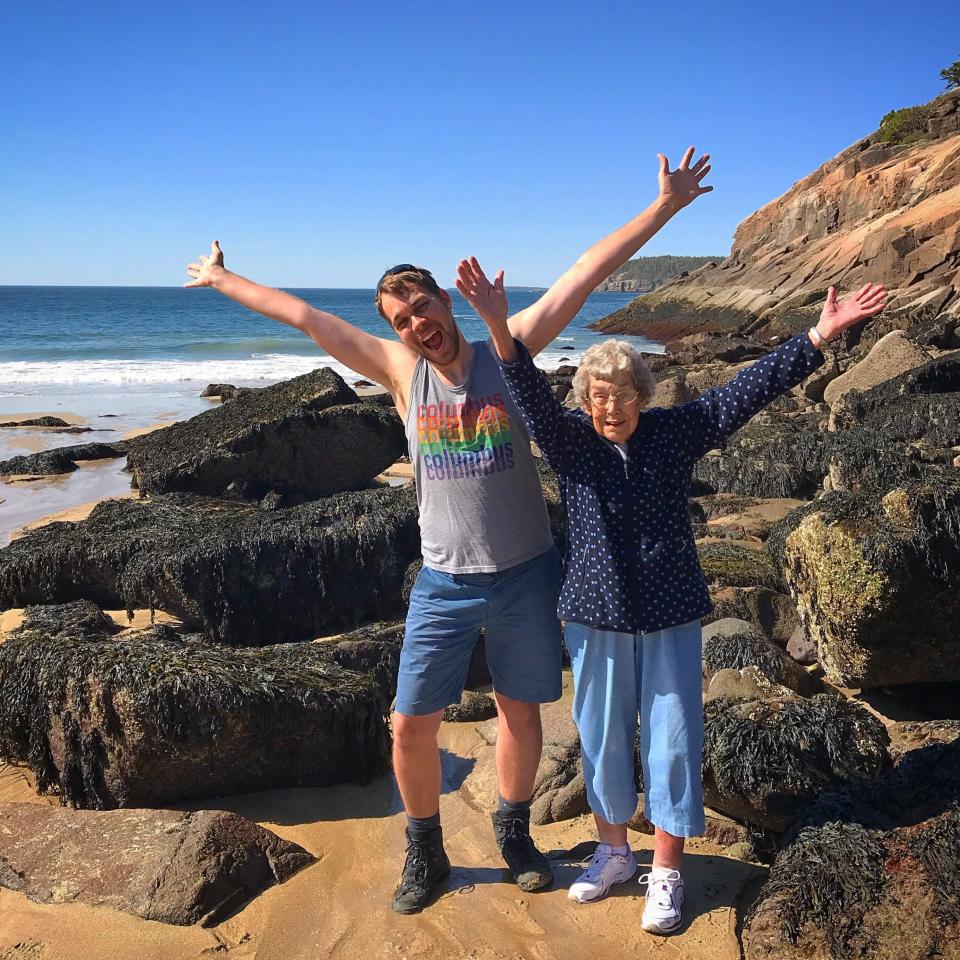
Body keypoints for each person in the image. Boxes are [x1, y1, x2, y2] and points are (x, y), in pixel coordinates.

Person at [183, 146, 713, 914]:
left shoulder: (509, 347)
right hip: (444, 581)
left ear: (443, 301)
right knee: (408, 725)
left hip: (528, 572)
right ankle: (425, 852)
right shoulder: (400, 372)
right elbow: (307, 318)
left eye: (422, 308)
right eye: (401, 320)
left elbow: (584, 272)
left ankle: (513, 832)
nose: (416, 325)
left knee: (519, 712)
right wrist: (224, 280)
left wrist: (665, 208)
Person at [455, 257, 886, 934]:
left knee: (674, 743)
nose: (610, 406)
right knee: (598, 738)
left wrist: (817, 339)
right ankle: (613, 853)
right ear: (585, 399)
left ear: (644, 394)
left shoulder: (675, 432)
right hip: (594, 619)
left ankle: (668, 871)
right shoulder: (571, 445)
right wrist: (494, 323)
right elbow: (526, 389)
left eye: (623, 393)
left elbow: (746, 390)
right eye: (598, 394)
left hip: (671, 616)